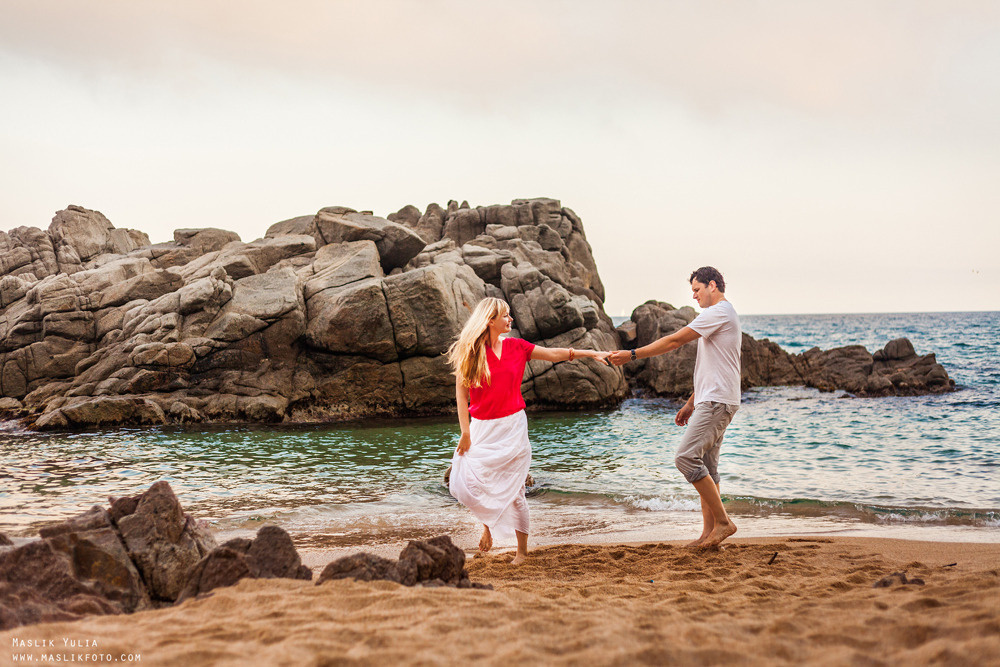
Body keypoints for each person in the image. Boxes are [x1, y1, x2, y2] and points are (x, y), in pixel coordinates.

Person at [447, 297, 610, 565]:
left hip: (513, 427)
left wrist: (591, 353)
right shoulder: (471, 353)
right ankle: (488, 526)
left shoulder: (517, 347)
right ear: (490, 320)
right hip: (482, 429)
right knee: (469, 483)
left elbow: (554, 354)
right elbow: (461, 395)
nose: (510, 319)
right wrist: (465, 432)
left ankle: (522, 552)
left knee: (516, 491)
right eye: (505, 315)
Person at [609, 267, 742, 548]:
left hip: (717, 401)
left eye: (697, 289)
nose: (694, 296)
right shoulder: (723, 314)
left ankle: (723, 522)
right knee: (708, 468)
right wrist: (691, 403)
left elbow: (675, 340)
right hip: (714, 399)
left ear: (712, 285)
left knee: (685, 458)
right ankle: (709, 535)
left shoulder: (718, 312)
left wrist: (632, 354)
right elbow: (715, 368)